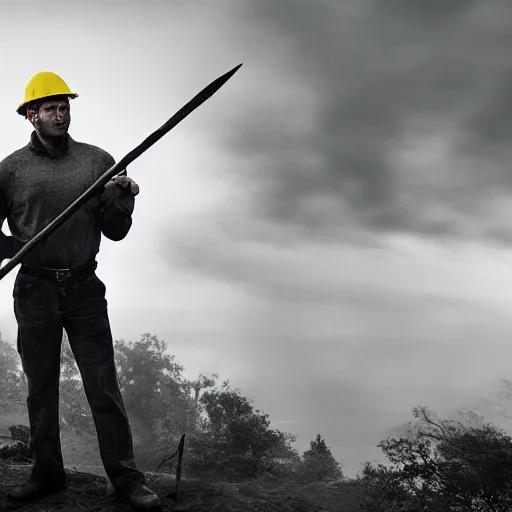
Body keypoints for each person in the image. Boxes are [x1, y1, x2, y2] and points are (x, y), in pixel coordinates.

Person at [0, 71, 162, 511]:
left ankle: (126, 479)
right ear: (31, 115)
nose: (60, 113)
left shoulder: (100, 163)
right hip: (34, 289)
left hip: (85, 287)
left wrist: (122, 202)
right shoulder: (11, 170)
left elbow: (117, 232)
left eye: (65, 106)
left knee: (103, 385)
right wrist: (21, 247)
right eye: (50, 108)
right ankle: (47, 474)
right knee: (41, 388)